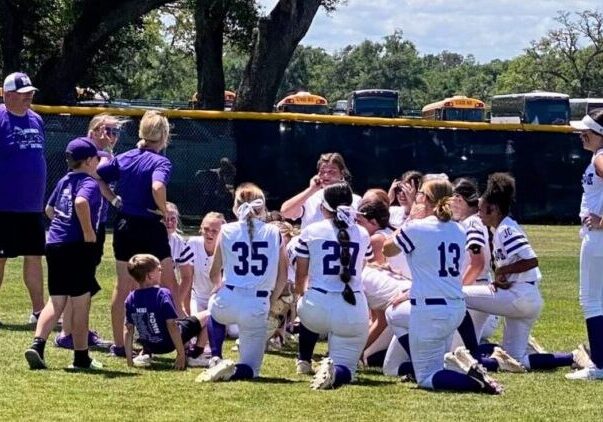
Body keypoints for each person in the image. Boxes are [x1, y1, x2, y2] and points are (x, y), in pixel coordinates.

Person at [383, 178, 502, 394]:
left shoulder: (417, 227)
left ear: (427, 200)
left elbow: (387, 250)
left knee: (426, 377)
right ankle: (461, 364)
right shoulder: (457, 229)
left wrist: (409, 219)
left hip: (430, 311)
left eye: (420, 195)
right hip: (455, 309)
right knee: (426, 361)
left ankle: (475, 382)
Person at [460, 173, 580, 373]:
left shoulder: (506, 230)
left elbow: (531, 260)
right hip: (526, 298)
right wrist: (504, 276)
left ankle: (472, 353)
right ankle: (573, 357)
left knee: (458, 295)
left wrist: (503, 270)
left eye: (481, 209)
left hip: (520, 297)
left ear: (494, 209)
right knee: (516, 360)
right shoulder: (500, 229)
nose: (478, 214)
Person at [97, 110, 181, 358]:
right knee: (168, 284)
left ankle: (120, 344)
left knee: (123, 286)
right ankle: (177, 342)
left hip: (124, 226)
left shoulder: (124, 157)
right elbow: (157, 186)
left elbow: (97, 175)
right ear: (164, 136)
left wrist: (114, 200)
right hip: (149, 227)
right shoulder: (161, 162)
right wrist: (165, 210)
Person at [196, 183, 288, 382]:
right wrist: (271, 301)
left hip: (228, 296)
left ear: (236, 206)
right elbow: (283, 276)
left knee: (215, 313)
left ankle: (216, 356)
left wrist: (217, 290)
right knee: (250, 368)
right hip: (256, 302)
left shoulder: (227, 230)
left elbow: (214, 272)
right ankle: (232, 370)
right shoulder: (274, 232)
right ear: (261, 206)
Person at [25, 138, 103, 370]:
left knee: (56, 299)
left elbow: (49, 210)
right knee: (81, 302)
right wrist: (88, 233)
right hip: (77, 246)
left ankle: (37, 345)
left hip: (55, 243)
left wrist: (63, 222)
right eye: (96, 157)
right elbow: (81, 202)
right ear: (89, 161)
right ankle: (81, 358)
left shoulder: (64, 180)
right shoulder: (88, 183)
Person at [54, 113, 127, 349]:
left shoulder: (103, 156)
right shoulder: (90, 157)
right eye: (108, 130)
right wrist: (115, 200)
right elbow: (95, 181)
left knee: (75, 282)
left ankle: (71, 330)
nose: (112, 136)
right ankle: (71, 333)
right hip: (84, 229)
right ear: (94, 130)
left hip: (90, 225)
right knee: (78, 284)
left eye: (116, 132)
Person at [294, 182, 374, 390]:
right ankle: (335, 370)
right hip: (352, 308)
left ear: (323, 207)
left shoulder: (311, 231)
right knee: (347, 369)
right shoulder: (363, 233)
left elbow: (300, 276)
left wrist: (300, 299)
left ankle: (304, 358)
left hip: (315, 307)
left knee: (306, 300)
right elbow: (362, 267)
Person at [0, 72, 46, 324]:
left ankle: (39, 310)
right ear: (7, 95)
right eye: (23, 92)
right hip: (3, 204)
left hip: (32, 205)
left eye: (30, 92)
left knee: (34, 256)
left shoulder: (36, 119)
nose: (29, 95)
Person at [566, 110, 603, 380]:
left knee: (591, 300)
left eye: (586, 132)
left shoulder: (601, 157)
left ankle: (599, 365)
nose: (581, 135)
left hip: (598, 238)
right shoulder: (596, 157)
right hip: (595, 236)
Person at [124, 254, 209, 369]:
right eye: (159, 269)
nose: (161, 272)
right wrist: (180, 354)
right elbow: (172, 326)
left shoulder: (130, 298)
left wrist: (129, 361)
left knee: (149, 321)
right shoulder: (162, 293)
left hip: (149, 344)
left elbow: (128, 330)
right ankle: (194, 355)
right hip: (167, 344)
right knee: (210, 314)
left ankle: (145, 353)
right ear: (150, 275)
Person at [280, 152, 361, 229]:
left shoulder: (356, 200)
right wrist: (311, 190)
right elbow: (285, 212)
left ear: (342, 173)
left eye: (331, 171)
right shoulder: (310, 198)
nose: (326, 175)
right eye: (322, 171)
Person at [164, 202, 194, 312]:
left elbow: (186, 277)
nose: (169, 222)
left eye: (173, 219)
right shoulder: (147, 239)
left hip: (167, 293)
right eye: (165, 219)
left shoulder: (180, 242)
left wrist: (176, 303)